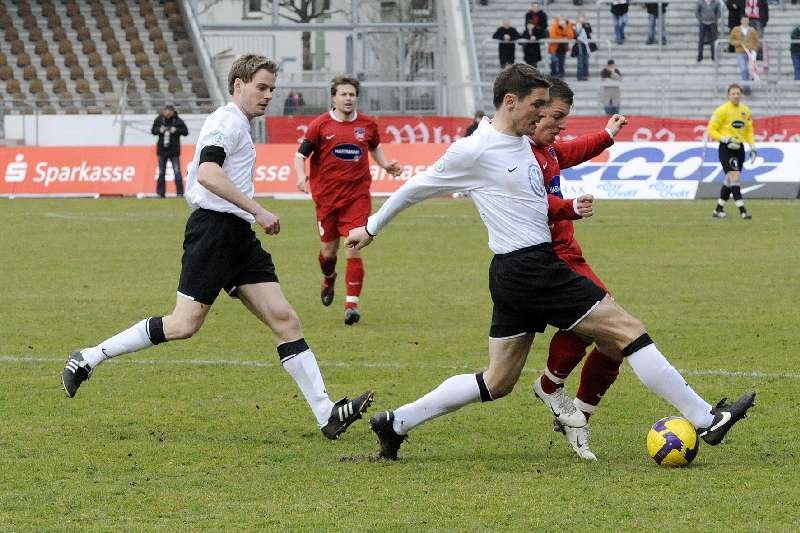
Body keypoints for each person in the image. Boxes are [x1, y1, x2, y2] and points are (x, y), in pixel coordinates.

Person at [344, 64, 755, 460]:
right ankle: (706, 418)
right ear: (510, 101)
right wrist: (372, 227)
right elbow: (415, 188)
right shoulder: (474, 149)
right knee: (626, 330)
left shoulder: (524, 144)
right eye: (537, 105)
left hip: (512, 271)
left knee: (497, 380)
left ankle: (396, 422)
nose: (543, 114)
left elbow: (553, 171)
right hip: (530, 269)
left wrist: (589, 166)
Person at [61, 54, 373, 441]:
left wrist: (249, 218)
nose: (268, 95)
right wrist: (257, 209)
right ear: (238, 85)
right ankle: (89, 357)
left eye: (272, 89)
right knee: (183, 324)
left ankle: (326, 414)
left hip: (237, 236)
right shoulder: (227, 121)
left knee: (285, 319)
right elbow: (209, 173)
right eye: (261, 87)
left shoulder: (239, 123)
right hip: (214, 231)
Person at [527, 77, 623, 459]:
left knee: (610, 337)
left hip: (569, 252)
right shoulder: (518, 155)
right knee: (611, 328)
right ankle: (552, 388)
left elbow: (572, 150)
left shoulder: (548, 150)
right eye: (556, 116)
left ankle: (575, 414)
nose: (562, 126)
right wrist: (569, 208)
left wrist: (606, 135)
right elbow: (530, 206)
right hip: (548, 258)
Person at [294, 75, 402, 325]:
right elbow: (300, 156)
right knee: (328, 252)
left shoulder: (367, 124)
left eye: (352, 94)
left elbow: (374, 146)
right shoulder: (320, 125)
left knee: (353, 248)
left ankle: (351, 305)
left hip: (357, 197)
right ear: (334, 97)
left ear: (356, 98)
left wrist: (386, 165)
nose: (348, 98)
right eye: (343, 94)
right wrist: (302, 177)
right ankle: (329, 277)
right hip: (327, 199)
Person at [709, 83, 755, 219]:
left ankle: (718, 209)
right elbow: (711, 130)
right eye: (733, 93)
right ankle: (743, 210)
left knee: (729, 181)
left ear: (741, 95)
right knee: (735, 177)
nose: (736, 96)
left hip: (739, 148)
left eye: (738, 93)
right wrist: (725, 139)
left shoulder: (745, 110)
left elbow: (748, 130)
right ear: (728, 95)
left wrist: (752, 146)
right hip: (726, 148)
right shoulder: (721, 110)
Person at [151, 104, 188, 198]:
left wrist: (176, 130)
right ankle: (160, 193)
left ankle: (180, 193)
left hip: (174, 151)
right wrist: (160, 130)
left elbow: (185, 132)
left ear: (172, 112)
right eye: (165, 112)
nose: (167, 114)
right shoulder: (159, 119)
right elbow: (153, 130)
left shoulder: (178, 120)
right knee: (161, 173)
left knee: (177, 172)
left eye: (169, 112)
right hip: (162, 151)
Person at [731, 16, 759, 81]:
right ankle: (745, 85)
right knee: (743, 69)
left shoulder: (752, 30)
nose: (745, 22)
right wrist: (739, 42)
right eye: (744, 20)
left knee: (750, 69)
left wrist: (754, 49)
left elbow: (756, 40)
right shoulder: (736, 29)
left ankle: (747, 86)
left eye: (746, 20)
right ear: (741, 21)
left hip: (750, 52)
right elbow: (731, 40)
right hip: (740, 52)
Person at [571, 14, 596, 81]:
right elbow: (574, 35)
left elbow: (590, 34)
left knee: (586, 60)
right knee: (580, 61)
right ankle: (579, 76)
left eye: (583, 18)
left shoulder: (587, 25)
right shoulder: (575, 25)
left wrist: (585, 26)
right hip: (579, 44)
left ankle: (585, 75)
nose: (582, 19)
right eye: (581, 18)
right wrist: (579, 26)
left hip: (586, 44)